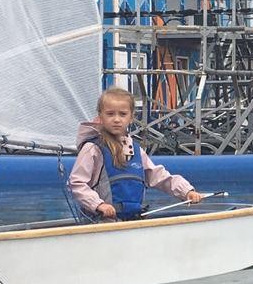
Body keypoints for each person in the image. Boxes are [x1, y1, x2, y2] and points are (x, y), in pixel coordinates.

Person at [68, 87, 202, 220]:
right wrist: (99, 205)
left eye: (122, 114)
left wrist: (186, 191)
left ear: (131, 117)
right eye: (110, 114)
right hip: (100, 221)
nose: (116, 119)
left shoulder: (136, 150)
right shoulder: (92, 149)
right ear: (100, 116)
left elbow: (158, 176)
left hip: (133, 220)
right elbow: (77, 183)